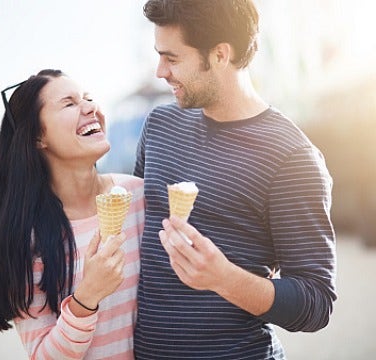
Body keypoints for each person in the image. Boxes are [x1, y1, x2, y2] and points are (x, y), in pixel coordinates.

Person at [133, 1, 337, 359]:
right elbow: (135, 233)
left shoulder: (292, 158)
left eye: (172, 58)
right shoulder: (159, 127)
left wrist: (223, 277)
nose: (160, 71)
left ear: (220, 55)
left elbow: (317, 301)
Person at [0, 69, 145, 359]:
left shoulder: (139, 197)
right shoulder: (27, 237)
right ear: (38, 136)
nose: (90, 107)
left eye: (88, 98)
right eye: (69, 103)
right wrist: (87, 297)